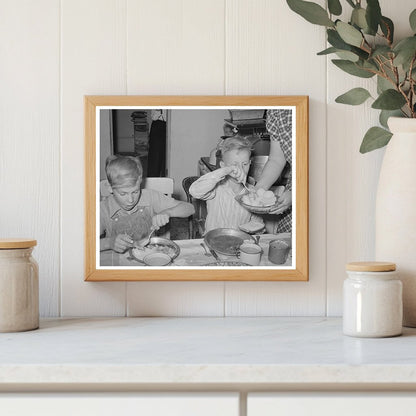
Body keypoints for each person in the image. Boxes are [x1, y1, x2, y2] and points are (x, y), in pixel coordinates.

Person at [100, 155, 194, 253]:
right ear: (110, 188)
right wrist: (109, 243)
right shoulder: (103, 208)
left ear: (140, 182)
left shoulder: (150, 197)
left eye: (135, 192)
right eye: (123, 194)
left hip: (149, 253)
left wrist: (168, 212)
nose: (130, 200)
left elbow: (190, 209)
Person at [190, 136, 263, 233]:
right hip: (214, 240)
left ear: (250, 163)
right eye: (234, 165)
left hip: (240, 241)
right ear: (223, 166)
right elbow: (194, 191)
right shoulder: (215, 187)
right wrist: (223, 171)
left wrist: (257, 227)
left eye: (244, 164)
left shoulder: (252, 191)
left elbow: (256, 219)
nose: (240, 169)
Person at [255, 109, 292, 233]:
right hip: (296, 183)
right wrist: (259, 188)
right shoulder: (276, 112)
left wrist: (297, 192)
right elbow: (276, 159)